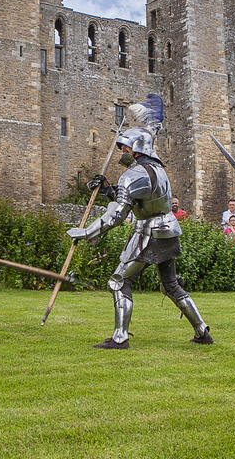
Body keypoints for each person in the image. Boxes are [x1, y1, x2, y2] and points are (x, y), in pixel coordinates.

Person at [69, 127, 213, 349]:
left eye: (126, 147)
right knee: (171, 286)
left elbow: (117, 216)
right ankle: (202, 330)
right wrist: (109, 190)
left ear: (137, 149)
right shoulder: (157, 170)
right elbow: (141, 197)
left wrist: (86, 232)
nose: (122, 151)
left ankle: (120, 338)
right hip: (168, 230)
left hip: (149, 233)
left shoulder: (133, 174)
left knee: (118, 282)